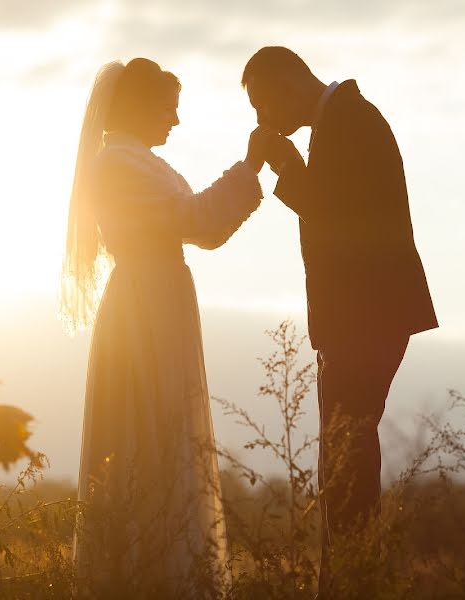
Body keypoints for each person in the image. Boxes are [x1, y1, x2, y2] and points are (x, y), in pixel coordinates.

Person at [62, 58, 270, 597]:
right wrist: (249, 167)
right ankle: (141, 570)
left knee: (166, 424)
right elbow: (198, 221)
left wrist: (249, 173)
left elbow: (200, 223)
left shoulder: (139, 161)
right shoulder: (119, 163)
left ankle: (164, 564)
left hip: (161, 299)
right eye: (168, 109)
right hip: (143, 307)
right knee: (143, 425)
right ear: (140, 106)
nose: (175, 122)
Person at [241, 46, 439, 593]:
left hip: (366, 319)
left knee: (345, 463)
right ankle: (349, 579)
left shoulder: (350, 121)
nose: (261, 120)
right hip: (363, 319)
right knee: (344, 459)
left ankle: (349, 582)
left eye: (261, 104)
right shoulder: (346, 119)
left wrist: (283, 165)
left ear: (286, 83)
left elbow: (333, 215)